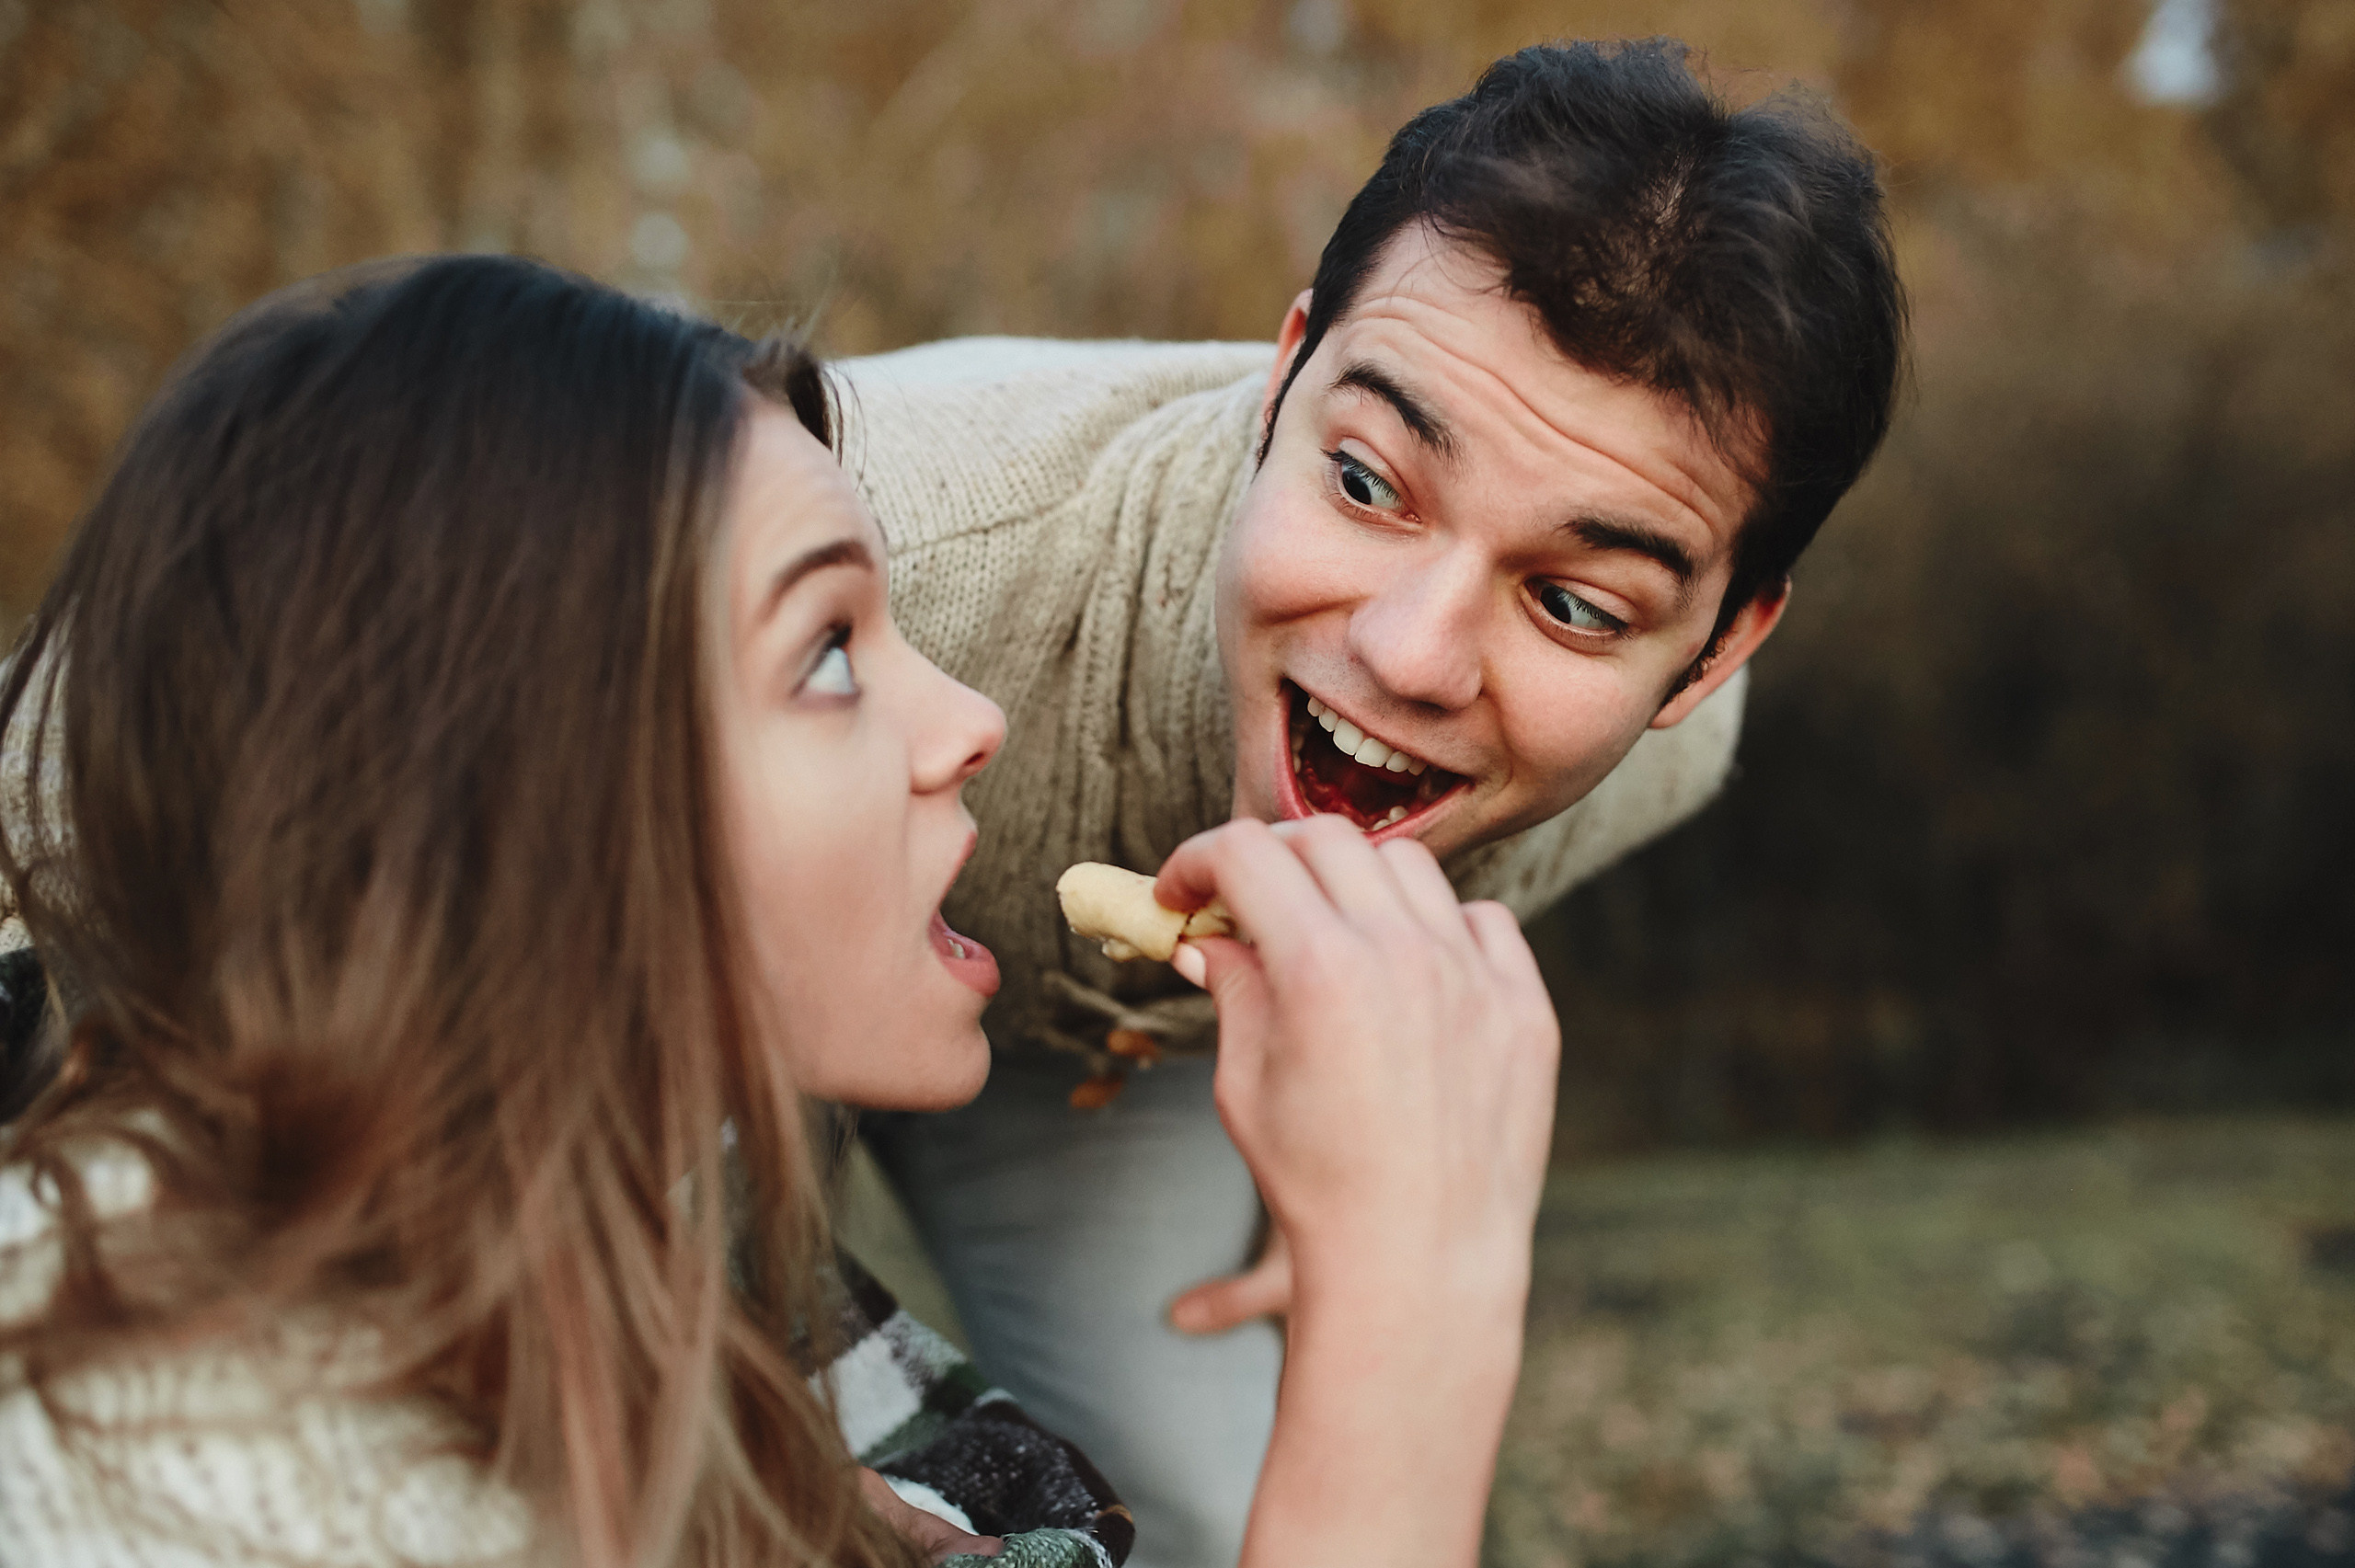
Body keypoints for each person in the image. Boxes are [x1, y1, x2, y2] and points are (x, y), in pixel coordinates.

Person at [0, 256, 1560, 1568]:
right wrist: (1407, 1319)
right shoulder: (218, 1464)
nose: (971, 723)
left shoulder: (560, 1247)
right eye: (827, 650)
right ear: (484, 787)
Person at [845, 38, 1907, 1568]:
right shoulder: (892, 549)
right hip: (691, 943)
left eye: (1577, 606)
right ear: (1284, 377)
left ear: (1718, 645)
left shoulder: (1656, 762)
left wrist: (1343, 1172)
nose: (1410, 655)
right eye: (1367, 480)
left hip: (1097, 1061)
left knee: (1211, 1511)